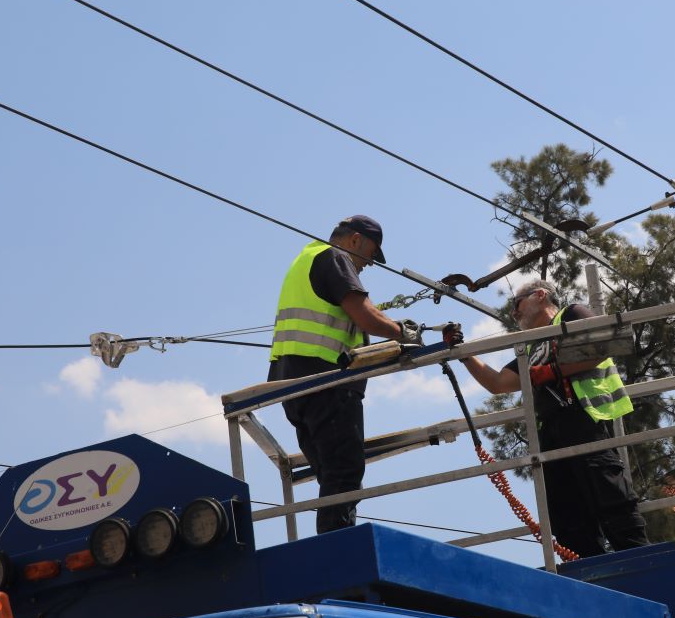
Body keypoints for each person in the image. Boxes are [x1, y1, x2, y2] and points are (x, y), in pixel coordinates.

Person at [457, 278, 648, 557]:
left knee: (609, 496)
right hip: (553, 430)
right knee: (565, 512)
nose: (514, 313)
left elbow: (602, 345)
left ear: (540, 295)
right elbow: (498, 383)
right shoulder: (532, 348)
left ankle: (639, 558)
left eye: (516, 303)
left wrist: (553, 371)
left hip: (585, 419)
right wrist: (463, 353)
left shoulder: (571, 314)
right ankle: (589, 567)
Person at [268, 216, 436, 534]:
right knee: (344, 469)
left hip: (293, 387)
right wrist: (404, 333)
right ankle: (338, 547)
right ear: (354, 240)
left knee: (330, 472)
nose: (370, 263)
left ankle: (331, 544)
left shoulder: (306, 258)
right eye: (371, 254)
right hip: (327, 384)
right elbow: (365, 315)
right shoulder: (335, 257)